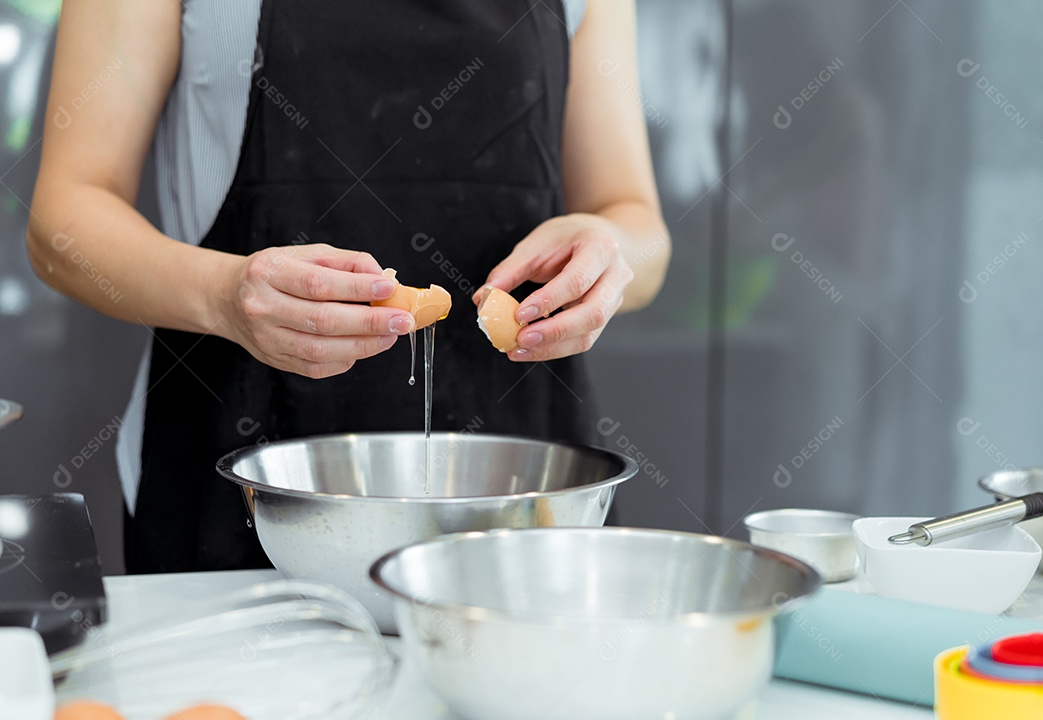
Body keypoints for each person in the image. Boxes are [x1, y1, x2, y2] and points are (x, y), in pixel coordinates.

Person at [27, 0, 669, 573]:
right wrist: (225, 292)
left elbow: (634, 219)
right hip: (235, 469)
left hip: (524, 486)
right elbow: (62, 220)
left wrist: (609, 255)